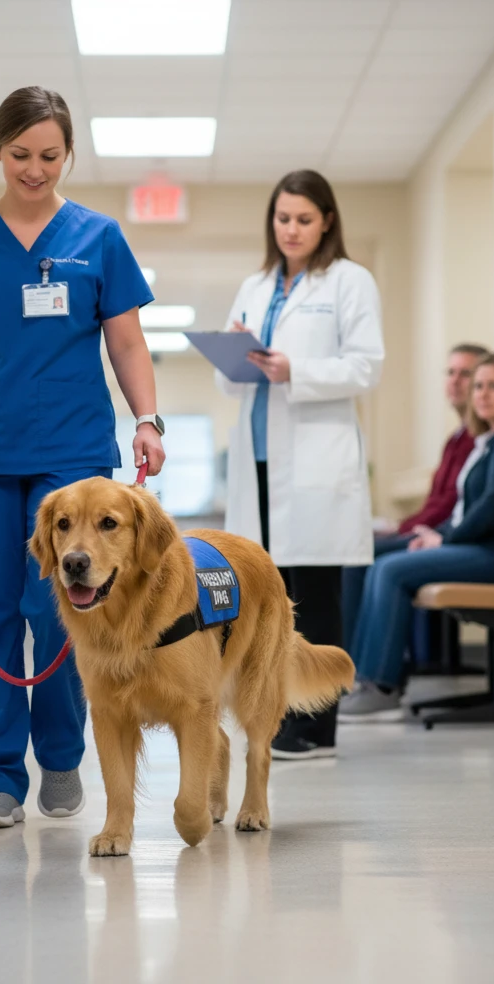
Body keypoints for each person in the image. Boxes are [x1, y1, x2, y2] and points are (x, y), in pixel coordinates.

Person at [0, 86, 167, 827]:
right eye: (20, 154)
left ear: (68, 154)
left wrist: (147, 419)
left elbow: (127, 340)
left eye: (50, 155)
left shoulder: (98, 238)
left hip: (71, 456)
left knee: (59, 611)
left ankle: (61, 753)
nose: (35, 169)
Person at [216, 169, 384, 759]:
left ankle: (317, 728)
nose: (291, 229)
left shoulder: (348, 282)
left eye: (304, 219)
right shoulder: (256, 285)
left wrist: (298, 371)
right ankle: (277, 717)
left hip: (315, 458)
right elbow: (229, 380)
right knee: (269, 599)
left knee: (314, 594)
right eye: (283, 218)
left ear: (327, 221)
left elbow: (367, 366)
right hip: (259, 459)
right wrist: (233, 355)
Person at [338, 353, 494, 722]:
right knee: (378, 560)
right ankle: (364, 678)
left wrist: (446, 539)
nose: (482, 394)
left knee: (391, 570)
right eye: (478, 387)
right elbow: (473, 510)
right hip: (488, 549)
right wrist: (438, 534)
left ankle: (381, 687)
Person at [341, 343, 487, 652]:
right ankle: (357, 660)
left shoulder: (483, 440)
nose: (455, 381)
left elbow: (451, 505)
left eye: (466, 373)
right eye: (450, 373)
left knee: (361, 559)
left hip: (450, 535)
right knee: (358, 549)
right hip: (437, 529)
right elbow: (436, 501)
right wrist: (404, 525)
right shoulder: (457, 438)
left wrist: (408, 529)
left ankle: (355, 665)